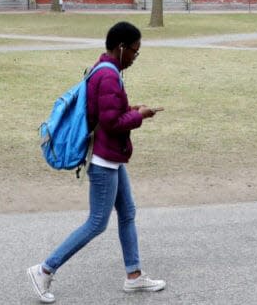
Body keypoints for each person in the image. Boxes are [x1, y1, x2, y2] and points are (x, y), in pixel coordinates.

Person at [28, 21, 166, 303]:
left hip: (111, 156)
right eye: (135, 53)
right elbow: (111, 122)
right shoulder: (109, 76)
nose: (135, 59)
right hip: (104, 159)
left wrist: (133, 109)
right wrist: (141, 116)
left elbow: (109, 110)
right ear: (122, 48)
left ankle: (134, 276)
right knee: (96, 223)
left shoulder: (105, 69)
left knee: (127, 213)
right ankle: (44, 269)